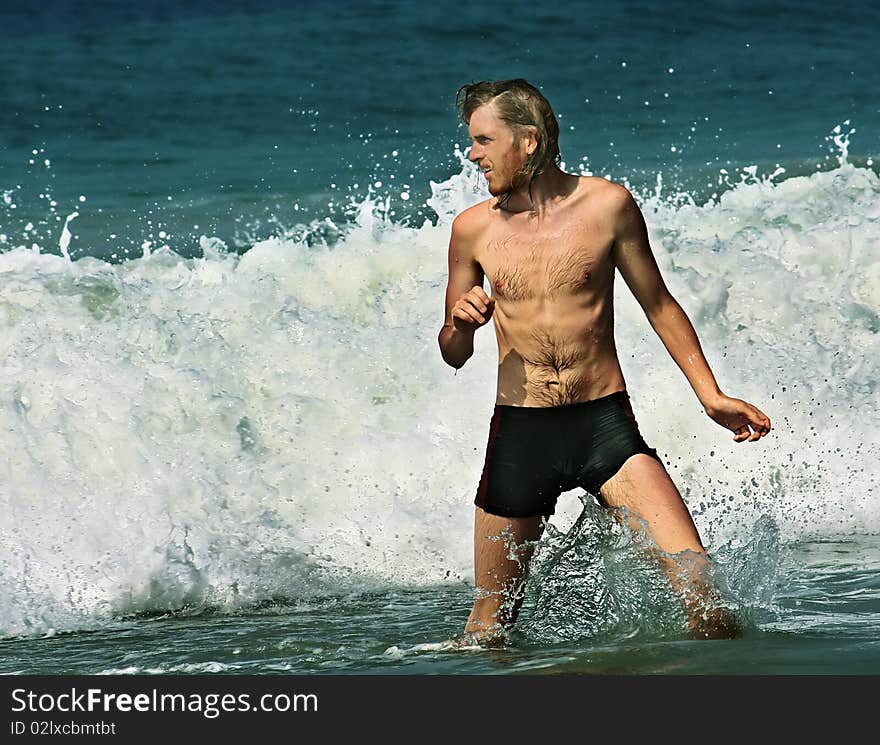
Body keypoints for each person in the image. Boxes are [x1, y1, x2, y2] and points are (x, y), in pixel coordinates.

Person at [438, 79, 771, 645]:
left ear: (529, 140)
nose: (473, 155)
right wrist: (460, 325)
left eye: (483, 140)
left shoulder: (608, 205)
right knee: (488, 632)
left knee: (707, 601)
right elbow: (452, 354)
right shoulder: (472, 229)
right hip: (521, 433)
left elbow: (659, 304)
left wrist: (710, 395)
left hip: (603, 427)